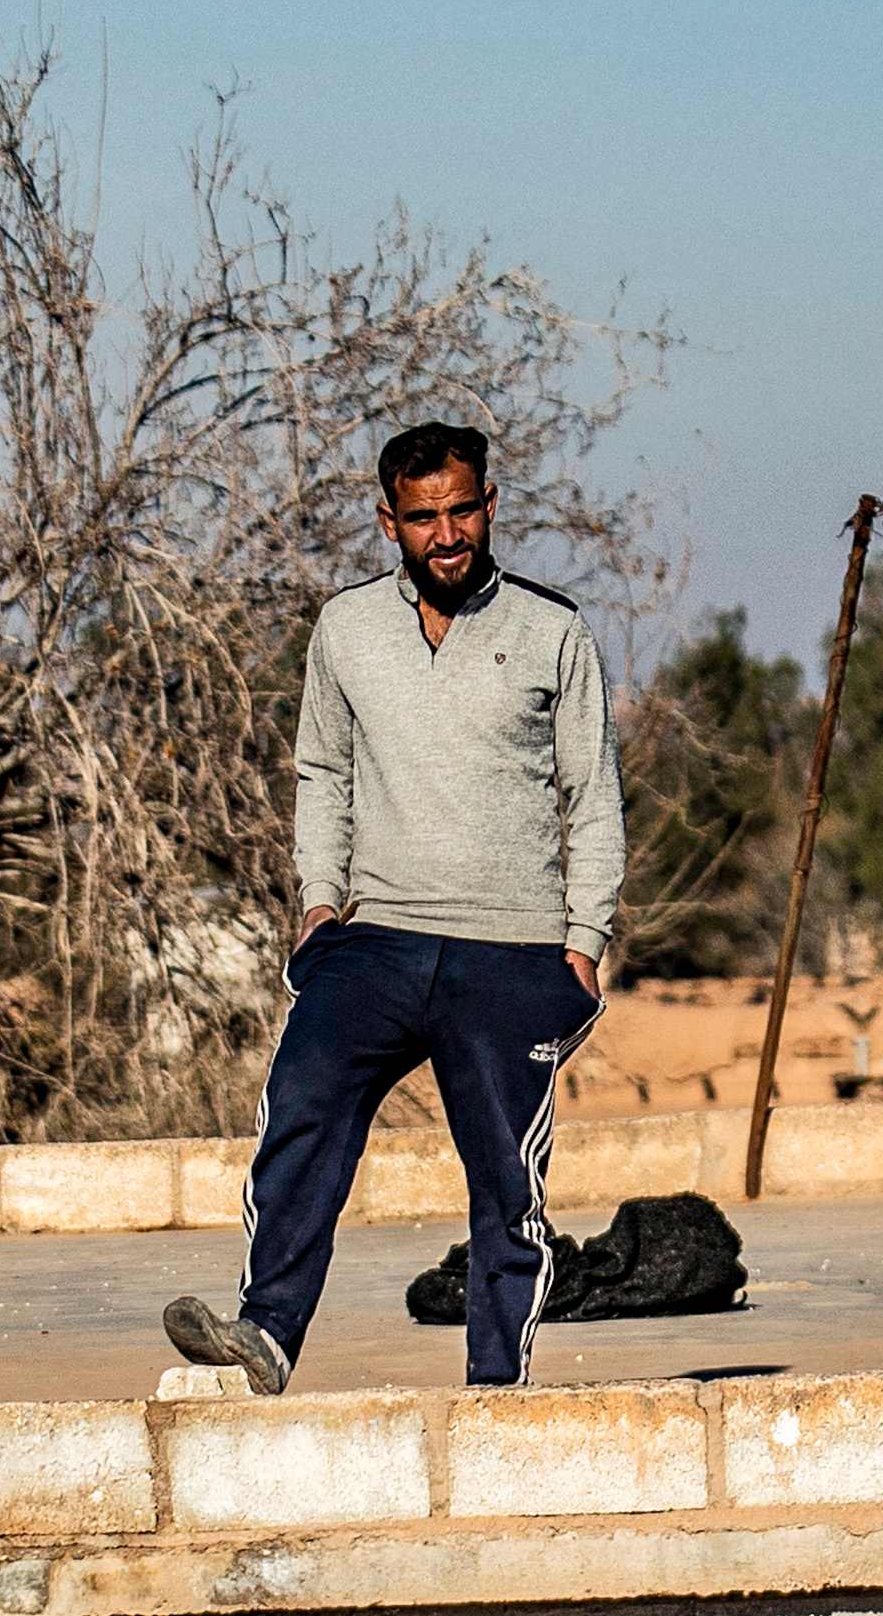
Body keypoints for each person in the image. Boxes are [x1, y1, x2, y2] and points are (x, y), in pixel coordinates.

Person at [163, 421, 624, 1395]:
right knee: (301, 1102)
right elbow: (321, 766)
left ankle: (495, 1389)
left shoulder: (553, 631)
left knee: (506, 1183)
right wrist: (320, 899)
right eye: (423, 517)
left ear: (490, 506)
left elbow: (594, 791)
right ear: (390, 522)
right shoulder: (346, 629)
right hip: (373, 938)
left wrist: (583, 944)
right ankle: (268, 1328)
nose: (446, 533)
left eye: (462, 509)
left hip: (512, 949)